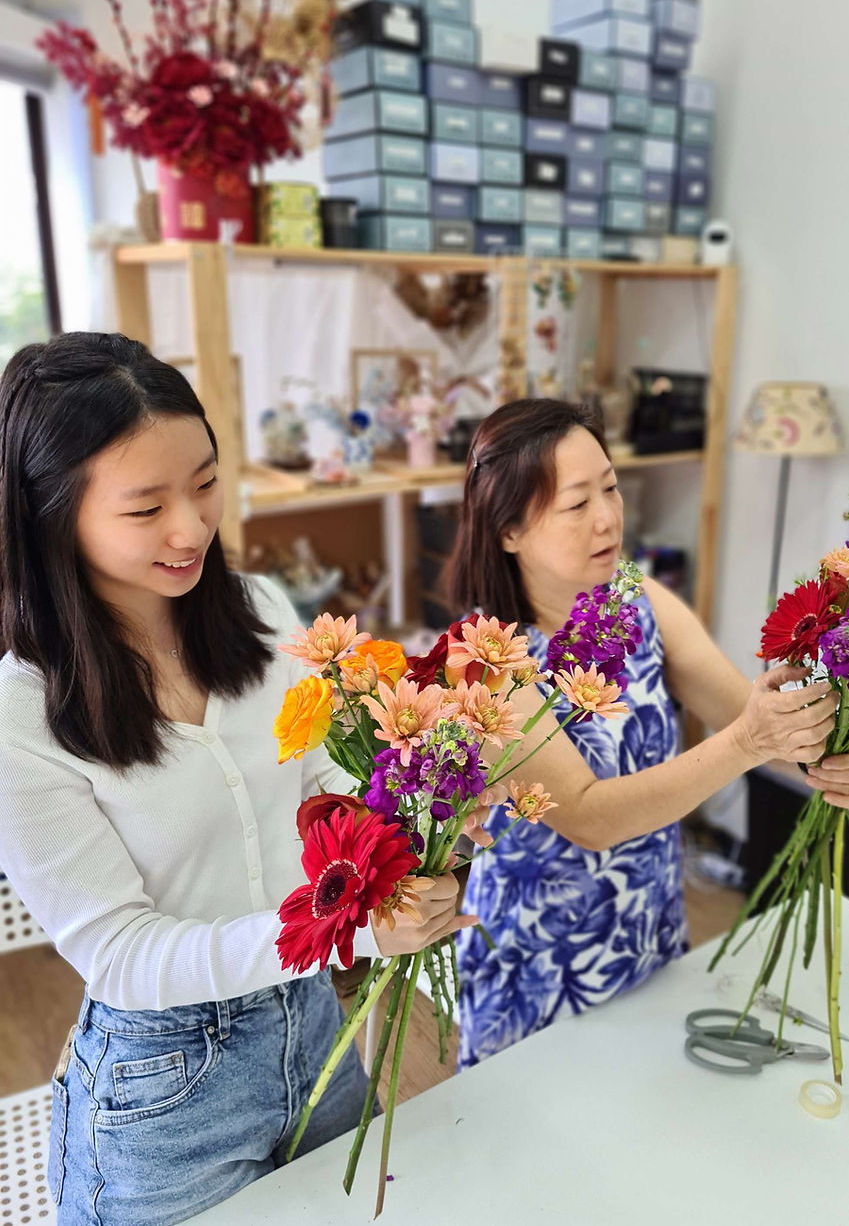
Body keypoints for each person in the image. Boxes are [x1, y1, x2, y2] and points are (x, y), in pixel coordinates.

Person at [0, 333, 489, 1226]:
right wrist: (343, 933)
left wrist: (421, 816)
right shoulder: (21, 715)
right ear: (51, 514)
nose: (191, 529)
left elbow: (313, 794)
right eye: (145, 508)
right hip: (163, 1093)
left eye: (205, 483)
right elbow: (122, 952)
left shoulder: (261, 609)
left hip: (316, 1027)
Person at [448, 399, 849, 1069]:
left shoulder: (638, 600)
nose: (608, 516)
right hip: (540, 959)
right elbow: (589, 815)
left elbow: (753, 712)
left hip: (647, 928)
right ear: (508, 530)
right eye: (576, 503)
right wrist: (749, 742)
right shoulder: (486, 658)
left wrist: (836, 750)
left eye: (612, 487)